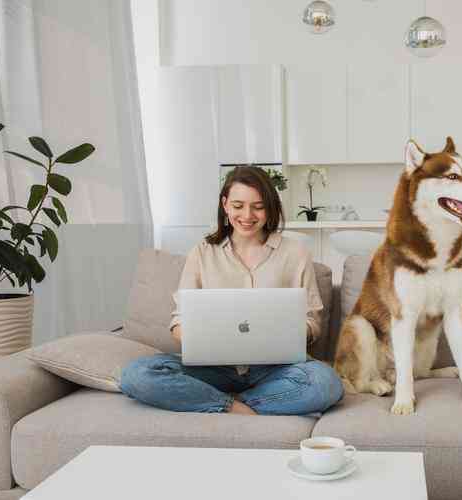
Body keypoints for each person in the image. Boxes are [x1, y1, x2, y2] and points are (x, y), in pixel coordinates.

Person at [120, 166, 344, 415]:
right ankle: (232, 405)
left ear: (270, 207)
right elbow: (179, 322)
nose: (247, 215)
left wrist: (284, 332)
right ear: (225, 205)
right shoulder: (202, 253)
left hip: (275, 368)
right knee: (136, 374)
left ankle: (222, 401)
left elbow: (312, 321)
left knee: (326, 384)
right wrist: (203, 337)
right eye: (238, 205)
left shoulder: (295, 253)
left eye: (258, 206)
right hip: (214, 367)